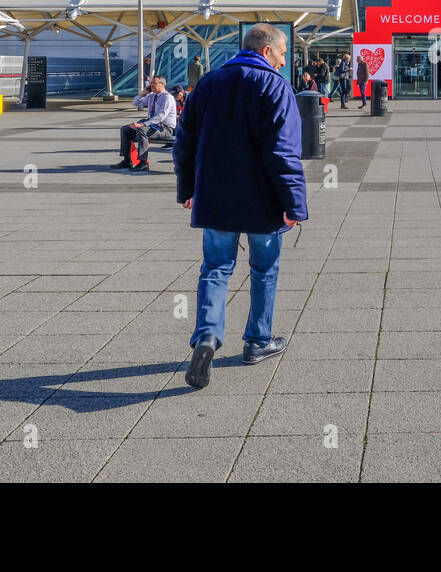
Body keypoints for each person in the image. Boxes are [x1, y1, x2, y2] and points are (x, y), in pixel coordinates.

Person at [174, 23, 307, 389]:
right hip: (262, 200)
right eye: (281, 54)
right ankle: (258, 341)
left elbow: (184, 140)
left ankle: (207, 337)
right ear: (266, 51)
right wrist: (294, 204)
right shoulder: (275, 86)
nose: (283, 62)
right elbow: (284, 153)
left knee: (216, 267)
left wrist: (188, 188)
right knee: (264, 268)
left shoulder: (209, 83)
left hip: (215, 197)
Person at [111, 75, 177, 171]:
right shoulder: (151, 96)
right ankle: (127, 161)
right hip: (153, 126)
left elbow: (161, 116)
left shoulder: (167, 98)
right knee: (126, 129)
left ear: (162, 84)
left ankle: (143, 163)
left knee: (141, 130)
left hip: (165, 129)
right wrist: (142, 93)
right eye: (151, 83)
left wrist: (143, 124)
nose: (151, 85)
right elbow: (135, 103)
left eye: (154, 83)